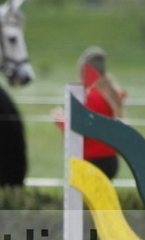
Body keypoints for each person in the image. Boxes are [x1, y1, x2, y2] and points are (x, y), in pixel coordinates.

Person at [52, 46, 127, 179]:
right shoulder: (112, 93)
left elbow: (80, 129)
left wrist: (60, 119)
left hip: (93, 160)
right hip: (110, 159)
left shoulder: (92, 97)